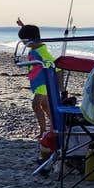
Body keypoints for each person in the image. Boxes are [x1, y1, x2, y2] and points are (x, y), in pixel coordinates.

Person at [16, 18, 56, 154]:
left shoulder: (40, 51)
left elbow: (53, 65)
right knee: (45, 106)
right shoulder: (36, 48)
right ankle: (54, 126)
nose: (23, 44)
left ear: (31, 40)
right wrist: (23, 26)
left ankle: (43, 130)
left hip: (43, 82)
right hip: (37, 81)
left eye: (24, 41)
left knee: (36, 105)